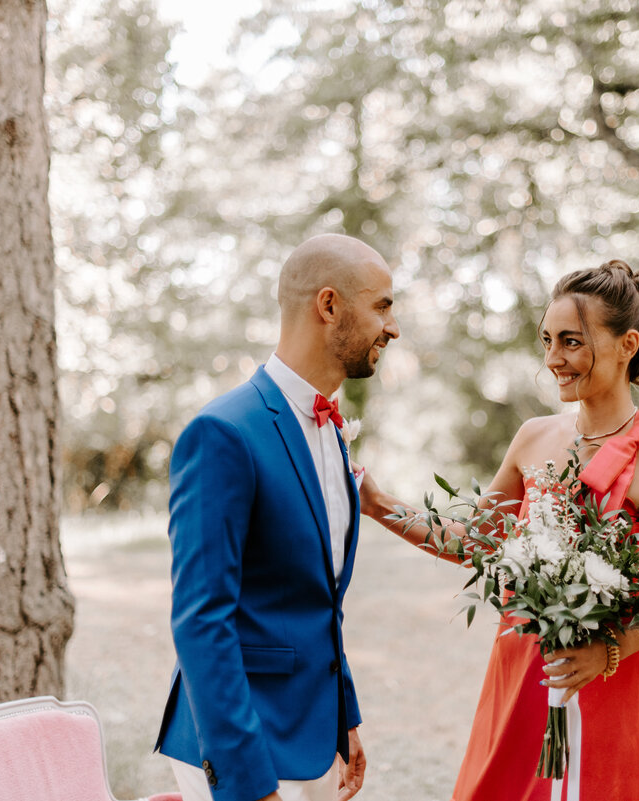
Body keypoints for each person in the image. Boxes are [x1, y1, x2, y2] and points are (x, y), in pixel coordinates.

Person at [358, 260, 639, 800]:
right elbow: (476, 541)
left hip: (622, 678)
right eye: (546, 340)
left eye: (570, 341)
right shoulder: (532, 438)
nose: (553, 360)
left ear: (627, 343)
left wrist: (607, 650)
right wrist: (376, 503)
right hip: (528, 668)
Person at [156, 234, 400, 801]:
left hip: (310, 734)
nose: (392, 327)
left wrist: (345, 714)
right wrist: (246, 784)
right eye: (382, 305)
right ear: (330, 305)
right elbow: (201, 621)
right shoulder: (223, 433)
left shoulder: (330, 430)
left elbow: (313, 601)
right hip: (247, 749)